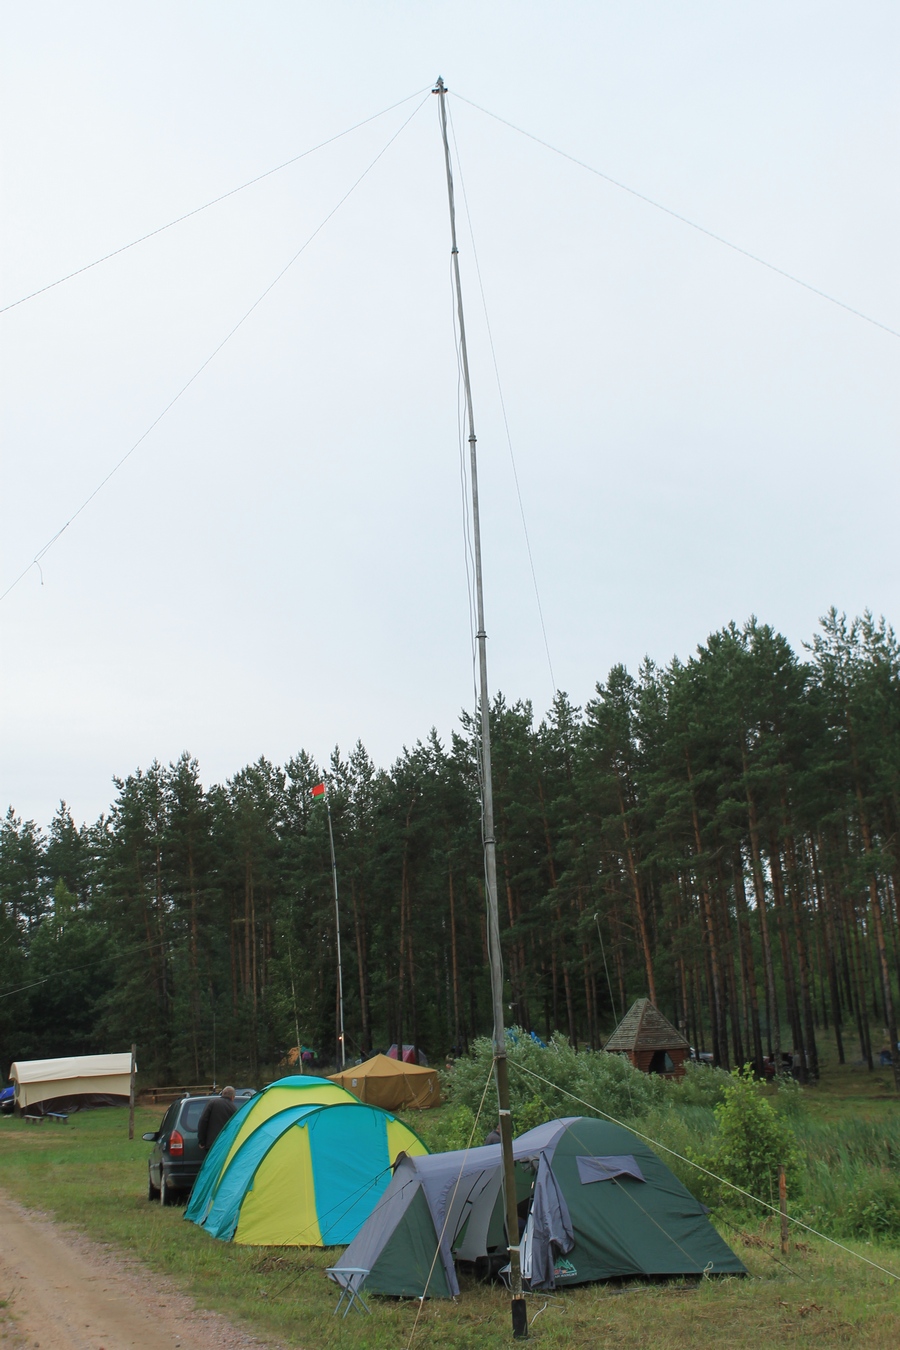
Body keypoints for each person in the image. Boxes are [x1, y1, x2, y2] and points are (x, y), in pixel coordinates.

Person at [197, 1085, 236, 1150]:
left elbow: (203, 1121)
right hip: (226, 1145)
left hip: (211, 1144)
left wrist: (201, 1141)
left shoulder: (212, 1103)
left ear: (222, 1094)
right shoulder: (234, 1109)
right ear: (232, 1097)